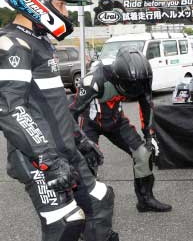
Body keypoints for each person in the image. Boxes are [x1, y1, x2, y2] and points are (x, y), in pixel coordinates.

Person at [1, 0, 147, 241]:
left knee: (100, 199)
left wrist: (79, 138)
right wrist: (48, 159)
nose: (64, 10)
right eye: (61, 3)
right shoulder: (11, 44)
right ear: (36, 0)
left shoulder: (39, 42)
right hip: (38, 158)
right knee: (64, 221)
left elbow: (53, 104)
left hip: (64, 149)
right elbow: (11, 109)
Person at [69, 48, 172, 213]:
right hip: (89, 122)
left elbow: (147, 106)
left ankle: (145, 200)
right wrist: (79, 141)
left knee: (143, 154)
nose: (135, 89)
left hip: (116, 121)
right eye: (130, 86)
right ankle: (85, 210)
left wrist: (149, 136)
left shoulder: (142, 79)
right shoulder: (94, 80)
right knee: (87, 162)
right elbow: (72, 113)